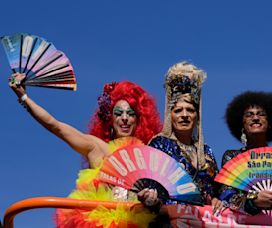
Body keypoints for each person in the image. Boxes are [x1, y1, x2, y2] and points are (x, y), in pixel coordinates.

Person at [9, 73, 162, 227]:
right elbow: (55, 126)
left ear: (139, 119)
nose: (124, 118)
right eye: (118, 113)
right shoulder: (97, 148)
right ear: (110, 118)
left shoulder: (149, 154)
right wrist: (23, 97)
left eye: (130, 114)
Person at [138, 61, 224, 215]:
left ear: (197, 116)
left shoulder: (206, 151)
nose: (184, 115)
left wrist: (217, 200)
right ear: (170, 115)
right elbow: (151, 187)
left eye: (190, 110)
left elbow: (217, 191)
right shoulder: (160, 145)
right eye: (178, 110)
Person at [219, 91, 272, 215]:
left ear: (269, 123)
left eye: (261, 114)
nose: (255, 118)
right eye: (249, 115)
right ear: (242, 124)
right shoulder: (232, 157)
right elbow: (226, 194)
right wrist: (253, 200)